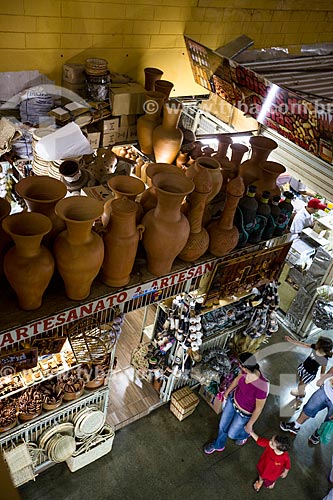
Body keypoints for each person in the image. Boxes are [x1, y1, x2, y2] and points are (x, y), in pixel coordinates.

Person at [203, 352, 269, 454]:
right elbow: (236, 380)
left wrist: (250, 424)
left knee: (232, 434)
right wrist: (227, 393)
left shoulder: (262, 386)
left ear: (245, 367)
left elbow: (259, 408)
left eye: (240, 365)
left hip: (244, 414)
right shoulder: (244, 372)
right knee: (223, 426)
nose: (239, 366)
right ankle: (218, 445)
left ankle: (245, 435)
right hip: (232, 402)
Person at [280, 376, 333, 445]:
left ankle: (319, 433)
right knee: (309, 408)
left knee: (329, 420)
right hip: (327, 389)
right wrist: (323, 378)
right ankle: (295, 426)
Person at [284, 335, 332, 408]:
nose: (316, 344)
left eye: (318, 343)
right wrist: (292, 341)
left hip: (310, 374)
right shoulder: (315, 347)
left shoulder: (324, 359)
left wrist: (321, 380)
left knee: (301, 386)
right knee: (300, 381)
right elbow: (304, 344)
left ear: (321, 348)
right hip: (304, 367)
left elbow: (322, 371)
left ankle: (300, 400)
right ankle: (300, 391)